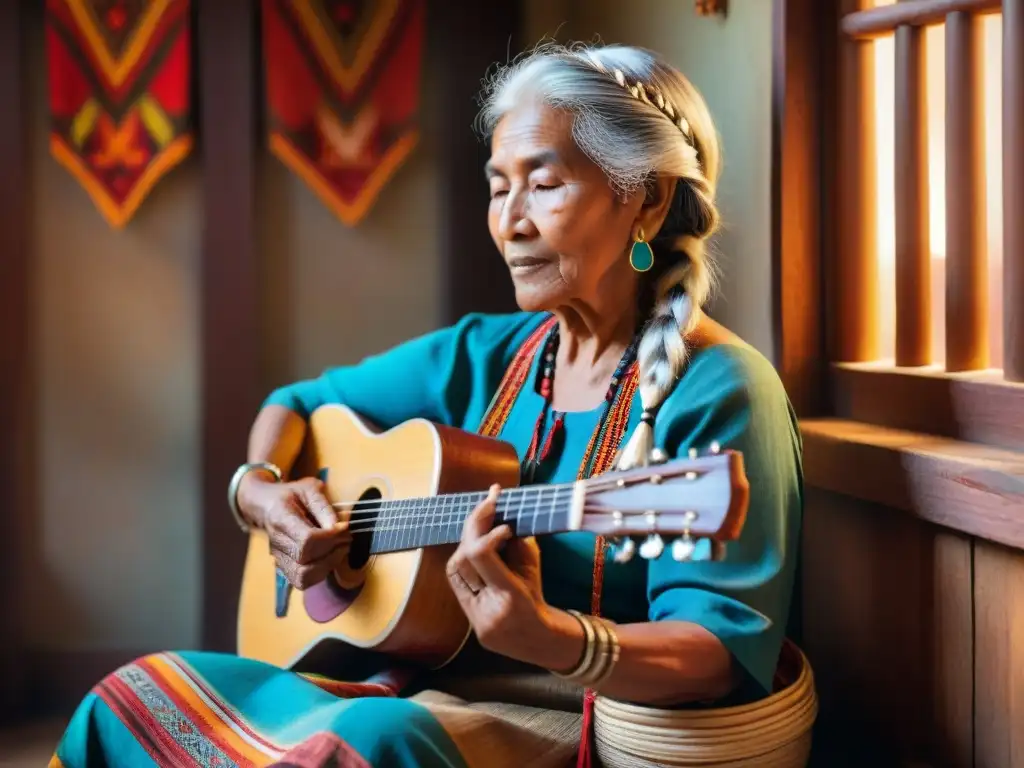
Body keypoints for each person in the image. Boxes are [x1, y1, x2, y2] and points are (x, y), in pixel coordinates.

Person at [52, 42, 804, 768]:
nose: (510, 222)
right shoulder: (488, 352)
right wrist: (262, 495)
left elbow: (719, 655)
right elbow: (297, 403)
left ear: (645, 197)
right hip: (411, 684)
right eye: (497, 186)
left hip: (562, 716)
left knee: (370, 742)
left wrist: (552, 638)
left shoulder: (720, 388)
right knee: (129, 696)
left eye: (543, 185)